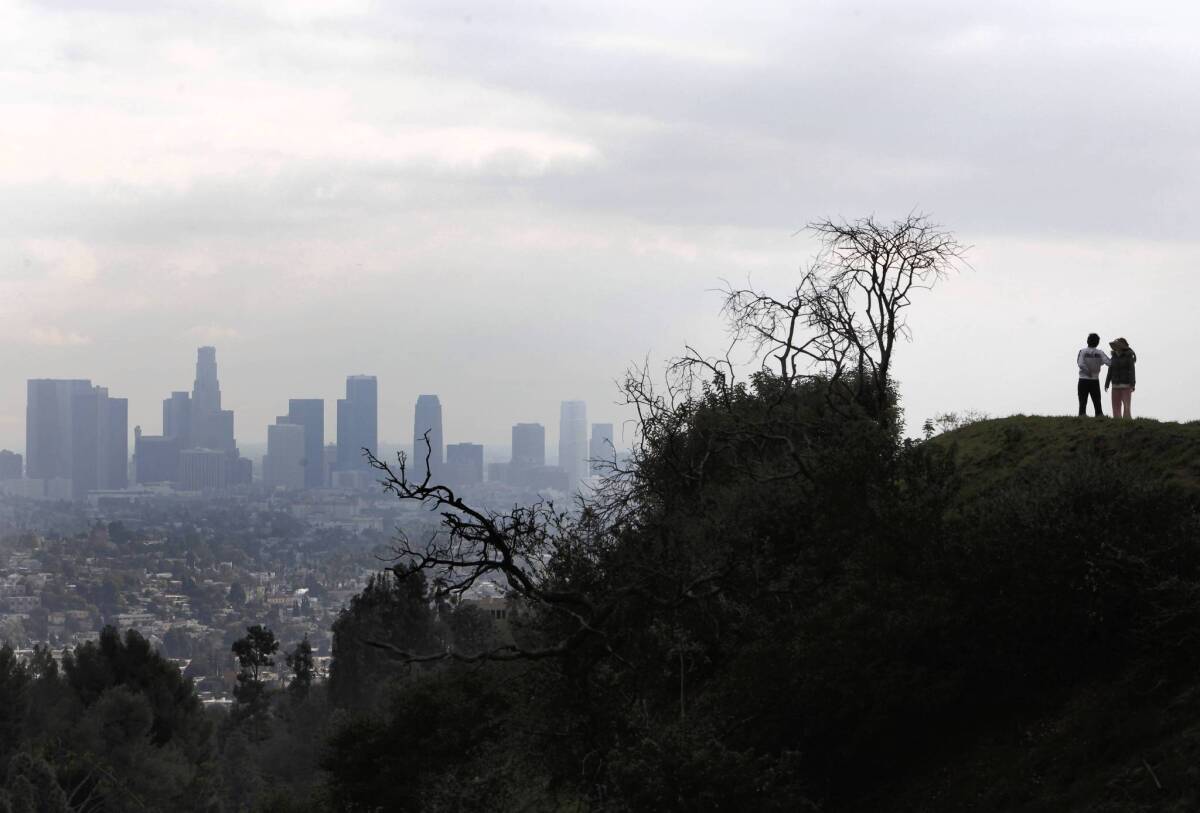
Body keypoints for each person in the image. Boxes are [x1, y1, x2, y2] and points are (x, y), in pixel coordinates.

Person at [1077, 333, 1110, 416]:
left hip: (1083, 379)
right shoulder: (1100, 352)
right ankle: (1099, 415)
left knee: (1082, 400)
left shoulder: (1082, 351)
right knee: (1097, 400)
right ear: (1097, 342)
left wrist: (1087, 371)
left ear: (1087, 341)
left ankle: (1082, 415)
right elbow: (1108, 362)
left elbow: (1080, 364)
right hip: (1095, 379)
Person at [1105, 337, 1137, 418]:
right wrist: (1107, 383)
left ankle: (1127, 422)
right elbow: (1110, 370)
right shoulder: (1113, 357)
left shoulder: (1129, 356)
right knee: (1115, 406)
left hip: (1126, 385)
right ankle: (1117, 422)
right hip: (1115, 385)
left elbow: (1132, 371)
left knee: (1126, 407)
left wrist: (1132, 384)